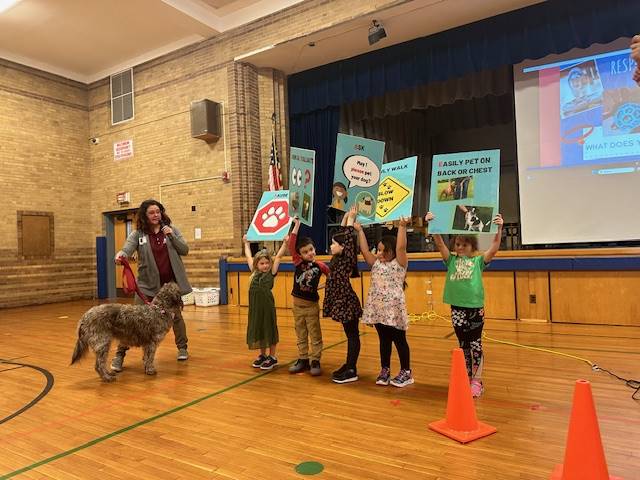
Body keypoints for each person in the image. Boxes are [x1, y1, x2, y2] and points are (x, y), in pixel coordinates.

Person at [425, 211, 504, 398]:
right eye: (458, 244)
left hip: (475, 308)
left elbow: (493, 248)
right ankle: (467, 376)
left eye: (464, 245)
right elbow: (439, 244)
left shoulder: (478, 261)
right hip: (457, 308)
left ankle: (477, 380)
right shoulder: (450, 260)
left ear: (472, 246)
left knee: (475, 343)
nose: (460, 247)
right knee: (463, 345)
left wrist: (499, 228)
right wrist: (433, 227)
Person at [111, 199, 192, 372]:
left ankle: (182, 347)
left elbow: (184, 250)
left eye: (158, 212)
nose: (156, 215)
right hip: (147, 286)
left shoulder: (171, 230)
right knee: (132, 321)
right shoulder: (138, 234)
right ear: (145, 215)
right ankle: (119, 355)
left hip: (169, 287)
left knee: (176, 317)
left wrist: (170, 235)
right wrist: (121, 255)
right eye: (151, 213)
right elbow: (127, 249)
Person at [355, 216, 413, 387]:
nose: (378, 253)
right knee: (384, 341)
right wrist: (360, 231)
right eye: (378, 250)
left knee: (399, 340)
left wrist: (402, 226)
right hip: (378, 309)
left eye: (382, 251)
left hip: (393, 311)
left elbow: (401, 247)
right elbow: (365, 251)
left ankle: (406, 372)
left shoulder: (400, 263)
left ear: (392, 251)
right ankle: (385, 369)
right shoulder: (376, 264)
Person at [323, 206, 362, 384]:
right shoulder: (337, 260)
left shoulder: (347, 259)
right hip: (341, 301)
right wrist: (345, 218)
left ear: (343, 247)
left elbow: (347, 240)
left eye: (333, 243)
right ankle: (349, 364)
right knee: (350, 334)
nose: (331, 246)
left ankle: (352, 368)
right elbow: (342, 236)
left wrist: (351, 220)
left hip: (347, 303)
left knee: (352, 335)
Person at [288, 217, 330, 376]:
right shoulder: (298, 262)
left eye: (311, 249)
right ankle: (303, 359)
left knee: (315, 333)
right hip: (297, 307)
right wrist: (296, 225)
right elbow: (291, 244)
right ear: (300, 254)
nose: (309, 253)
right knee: (301, 333)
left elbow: (333, 278)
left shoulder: (320, 266)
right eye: (305, 252)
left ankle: (316, 360)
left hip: (312, 307)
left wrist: (322, 286)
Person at [242, 235, 288, 370]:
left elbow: (278, 256)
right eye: (262, 263)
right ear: (257, 264)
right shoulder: (253, 271)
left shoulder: (272, 272)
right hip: (255, 307)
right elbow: (248, 256)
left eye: (267, 263)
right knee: (259, 329)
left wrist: (285, 243)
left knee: (269, 328)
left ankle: (272, 357)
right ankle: (262, 355)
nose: (265, 265)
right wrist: (246, 243)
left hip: (267, 307)